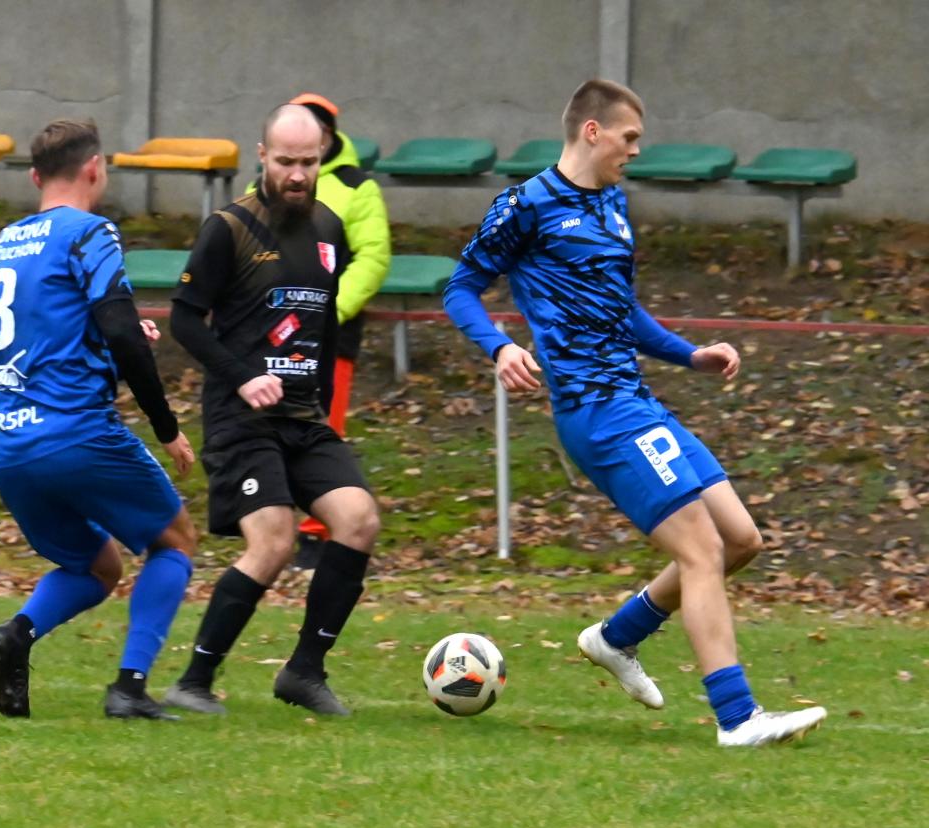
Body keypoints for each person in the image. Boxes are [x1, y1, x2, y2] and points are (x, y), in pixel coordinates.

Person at [442, 80, 827, 747]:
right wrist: (500, 347)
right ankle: (738, 717)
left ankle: (617, 638)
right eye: (629, 137)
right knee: (702, 550)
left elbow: (622, 311)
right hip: (596, 411)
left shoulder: (613, 204)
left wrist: (689, 354)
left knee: (740, 540)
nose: (637, 151)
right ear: (592, 131)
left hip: (635, 399)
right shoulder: (526, 206)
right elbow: (461, 288)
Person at [0, 118, 198, 721]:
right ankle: (129, 688)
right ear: (96, 168)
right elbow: (120, 331)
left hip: (8, 443)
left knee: (98, 565)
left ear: (34, 177)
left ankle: (16, 635)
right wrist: (166, 426)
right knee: (174, 540)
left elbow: (48, 335)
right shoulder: (90, 232)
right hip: (74, 432)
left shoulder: (9, 242)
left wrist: (112, 335)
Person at [162, 104, 381, 717]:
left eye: (308, 162)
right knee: (275, 540)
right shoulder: (228, 229)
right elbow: (184, 319)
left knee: (358, 519)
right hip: (241, 419)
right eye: (285, 162)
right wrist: (243, 378)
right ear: (262, 156)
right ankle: (193, 681)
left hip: (303, 418)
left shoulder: (330, 229)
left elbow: (325, 326)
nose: (297, 174)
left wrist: (324, 408)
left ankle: (304, 673)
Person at [251, 94, 391, 570]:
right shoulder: (261, 185)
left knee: (321, 428)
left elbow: (372, 256)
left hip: (330, 337)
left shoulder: (357, 186)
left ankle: (317, 534)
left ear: (328, 136)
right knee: (263, 429)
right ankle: (270, 527)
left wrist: (330, 312)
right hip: (268, 334)